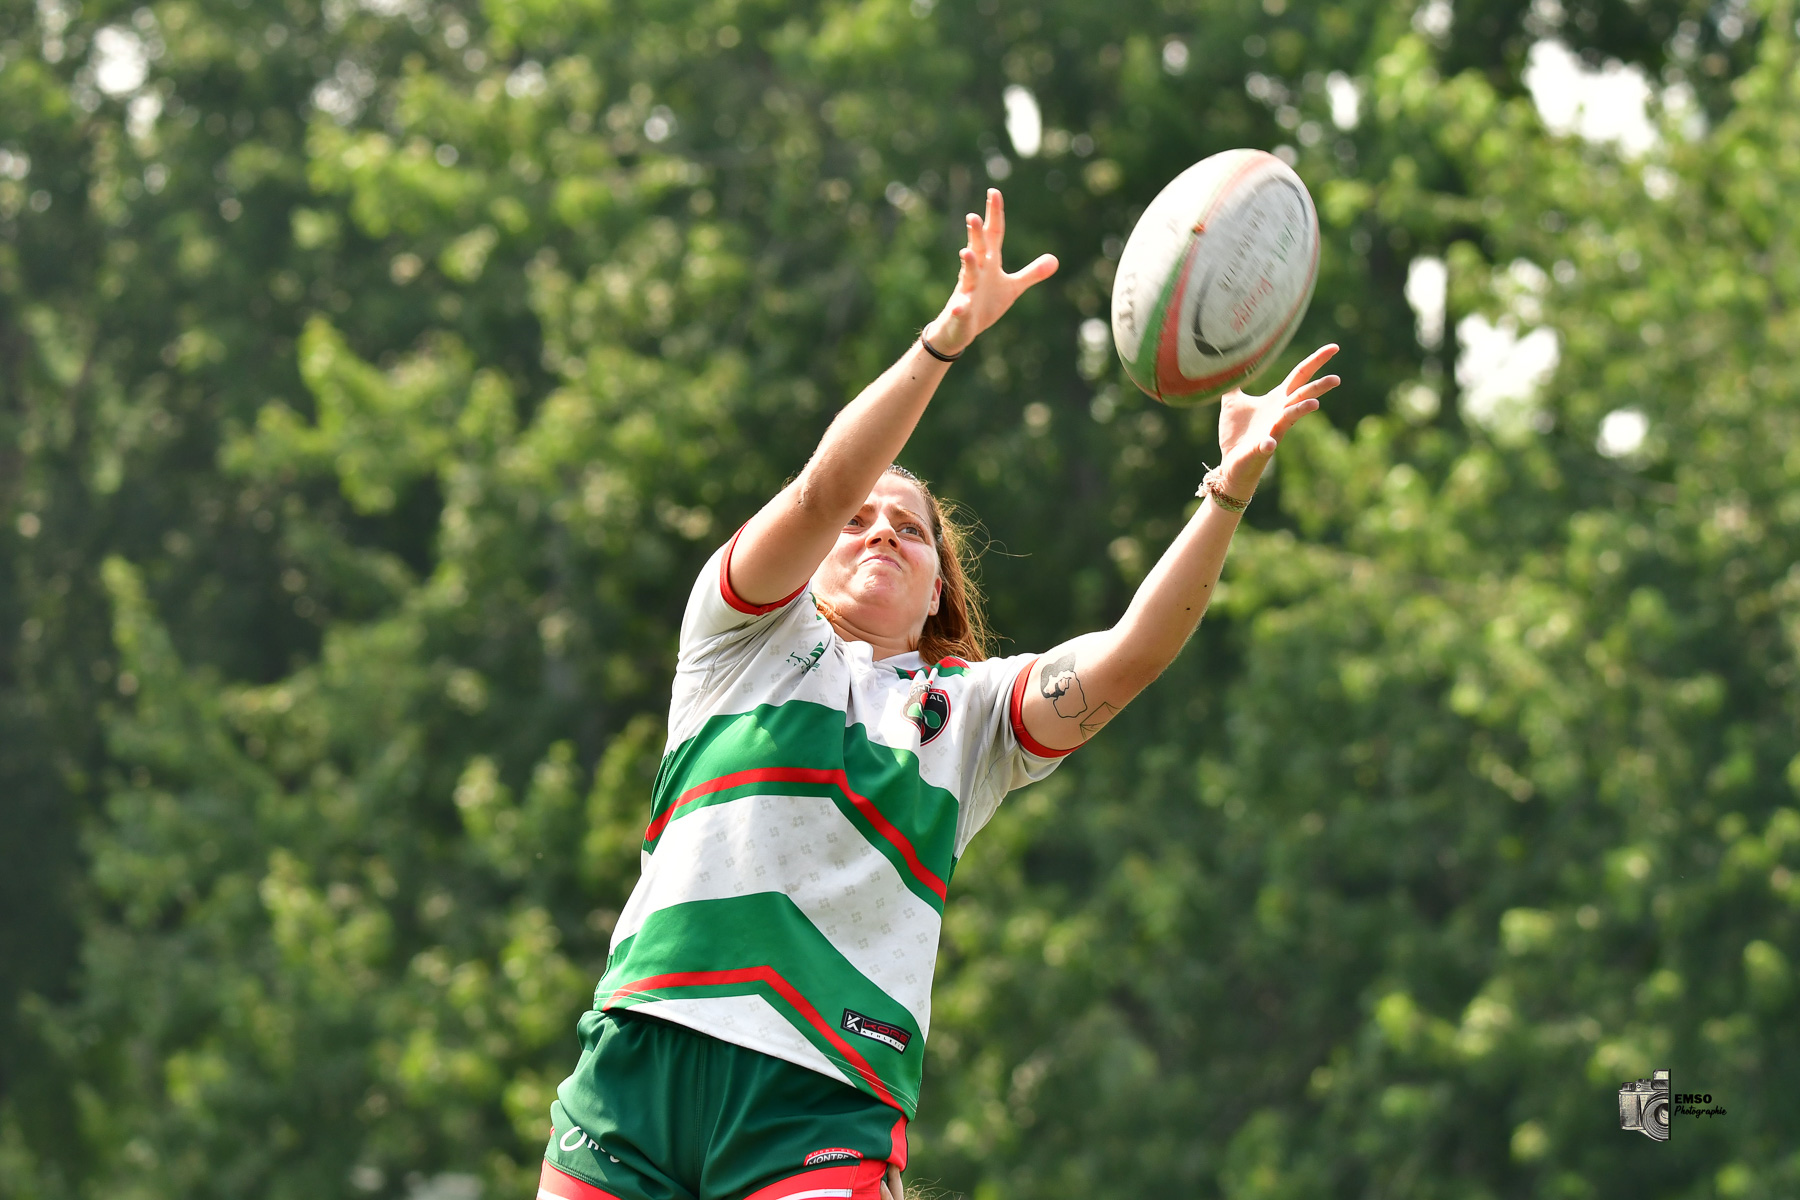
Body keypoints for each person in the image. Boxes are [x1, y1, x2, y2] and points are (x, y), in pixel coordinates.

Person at [539, 189, 1340, 1200]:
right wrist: (946, 339)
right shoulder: (737, 634)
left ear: (936, 594)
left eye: (911, 530)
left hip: (823, 1096)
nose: (877, 531)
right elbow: (823, 490)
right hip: (643, 1051)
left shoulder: (969, 717)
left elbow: (1134, 653)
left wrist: (1225, 491)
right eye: (861, 523)